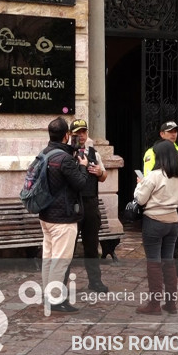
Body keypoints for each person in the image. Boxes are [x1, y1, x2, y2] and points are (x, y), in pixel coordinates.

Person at [39, 116, 89, 313]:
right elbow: (81, 183)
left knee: (49, 258)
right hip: (63, 218)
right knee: (60, 261)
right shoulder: (65, 159)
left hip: (46, 215)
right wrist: (83, 166)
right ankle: (55, 300)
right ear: (66, 135)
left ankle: (47, 295)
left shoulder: (45, 153)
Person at [134, 140, 178, 314]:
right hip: (173, 221)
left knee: (154, 262)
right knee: (169, 261)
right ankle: (171, 304)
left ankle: (154, 305)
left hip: (154, 221)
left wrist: (140, 183)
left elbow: (140, 199)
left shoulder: (154, 175)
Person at [143, 121, 178, 278]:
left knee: (176, 236)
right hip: (159, 202)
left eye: (175, 131)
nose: (173, 134)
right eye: (170, 131)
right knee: (158, 238)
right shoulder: (152, 152)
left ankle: (176, 265)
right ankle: (158, 268)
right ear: (161, 134)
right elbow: (149, 177)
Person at [70, 118, 109, 293]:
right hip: (73, 204)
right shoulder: (67, 153)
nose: (81, 136)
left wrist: (99, 172)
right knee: (68, 248)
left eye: (84, 132)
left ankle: (95, 281)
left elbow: (103, 176)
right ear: (70, 135)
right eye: (77, 133)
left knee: (92, 245)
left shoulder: (94, 153)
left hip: (91, 202)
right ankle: (61, 284)